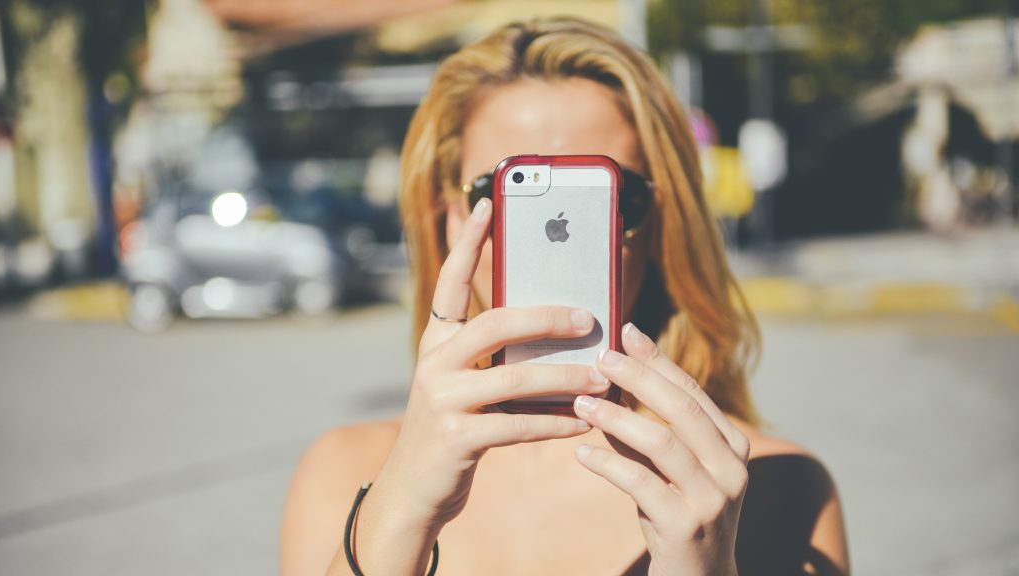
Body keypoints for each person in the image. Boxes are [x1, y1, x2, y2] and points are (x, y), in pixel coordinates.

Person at [280, 17, 849, 576]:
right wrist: (398, 519)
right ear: (451, 219)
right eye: (508, 192)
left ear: (659, 226)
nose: (559, 235)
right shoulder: (345, 472)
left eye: (606, 197)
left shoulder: (768, 486)